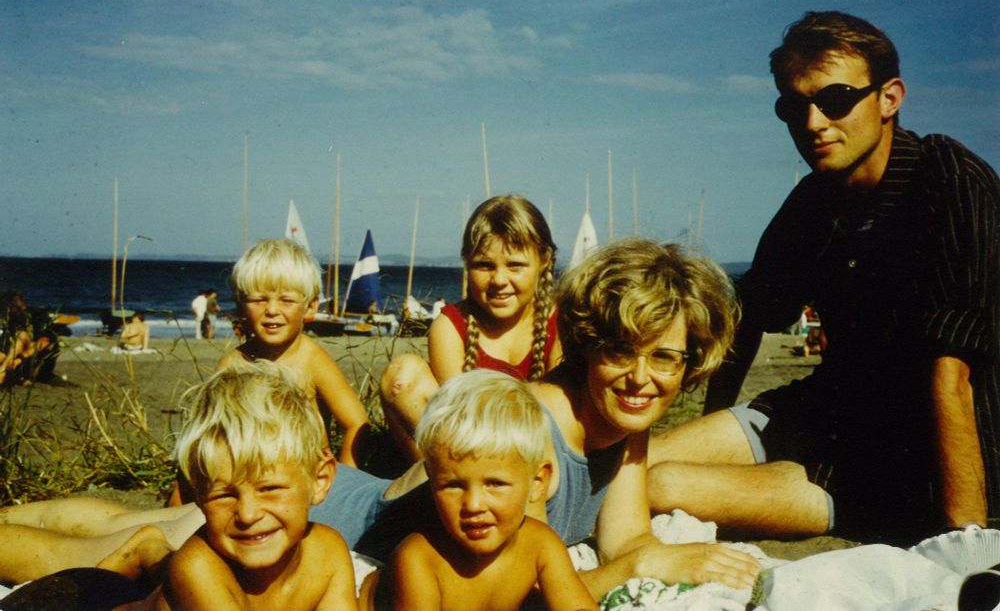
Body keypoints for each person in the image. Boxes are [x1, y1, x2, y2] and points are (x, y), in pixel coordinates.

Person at [0, 239, 760, 601]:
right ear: (587, 342)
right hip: (332, 515)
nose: (641, 376)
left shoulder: (625, 435)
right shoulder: (526, 423)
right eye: (622, 351)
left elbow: (623, 542)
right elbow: (512, 565)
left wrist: (659, 558)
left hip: (347, 501)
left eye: (665, 359)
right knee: (103, 543)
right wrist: (635, 566)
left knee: (117, 518)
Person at [648, 10, 999, 546]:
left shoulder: (947, 180)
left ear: (889, 98)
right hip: (824, 410)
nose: (813, 124)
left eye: (834, 101)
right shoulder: (813, 201)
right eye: (794, 106)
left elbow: (952, 373)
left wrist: (968, 548)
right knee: (635, 461)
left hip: (902, 459)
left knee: (658, 486)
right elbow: (747, 320)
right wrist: (720, 425)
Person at [2, 364, 359, 610]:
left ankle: (147, 549)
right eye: (224, 494)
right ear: (199, 497)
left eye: (270, 489)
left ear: (320, 480)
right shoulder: (198, 567)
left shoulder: (328, 554)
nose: (248, 514)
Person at [360, 371, 597, 611]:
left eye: (495, 483)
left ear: (537, 482)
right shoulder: (419, 559)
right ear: (431, 483)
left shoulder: (541, 545)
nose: (473, 504)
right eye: (453, 485)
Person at [379, 195, 562, 464]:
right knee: (402, 375)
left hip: (541, 453)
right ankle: (434, 485)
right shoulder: (451, 326)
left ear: (544, 259)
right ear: (466, 262)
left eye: (515, 265)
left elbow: (560, 418)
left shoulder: (562, 323)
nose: (499, 280)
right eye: (484, 265)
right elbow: (457, 418)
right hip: (468, 455)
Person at [218, 239, 369, 468]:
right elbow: (208, 433)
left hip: (309, 477)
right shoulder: (234, 364)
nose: (271, 310)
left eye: (287, 300)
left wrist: (343, 481)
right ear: (241, 305)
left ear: (310, 306)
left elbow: (356, 423)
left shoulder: (312, 359)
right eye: (259, 300)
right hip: (252, 479)